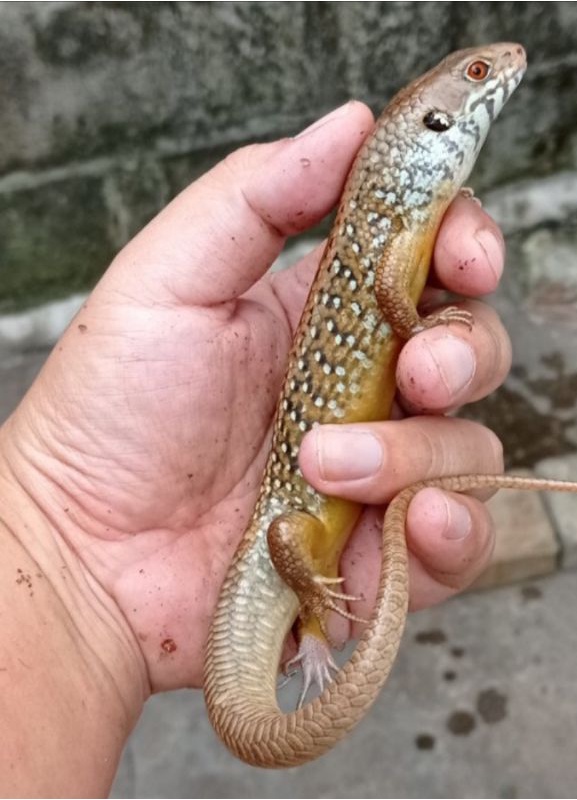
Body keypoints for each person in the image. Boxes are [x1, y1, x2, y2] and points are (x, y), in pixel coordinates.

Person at [0, 101, 513, 795]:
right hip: (284, 524)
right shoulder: (393, 223)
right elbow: (393, 292)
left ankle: (311, 628)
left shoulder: (400, 217)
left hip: (288, 512)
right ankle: (311, 623)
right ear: (430, 130)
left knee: (325, 531)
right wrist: (423, 330)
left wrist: (58, 556)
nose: (495, 74)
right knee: (303, 537)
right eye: (474, 80)